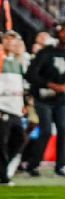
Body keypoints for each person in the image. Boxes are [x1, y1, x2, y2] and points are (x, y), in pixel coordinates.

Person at [25, 24, 65, 177]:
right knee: (46, 131)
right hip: (43, 97)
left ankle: (61, 165)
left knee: (63, 130)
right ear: (57, 34)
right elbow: (31, 75)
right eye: (64, 31)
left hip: (60, 98)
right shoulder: (46, 53)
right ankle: (33, 164)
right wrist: (50, 85)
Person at [0, 31, 27, 185]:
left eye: (14, 41)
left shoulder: (18, 62)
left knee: (19, 139)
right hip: (2, 106)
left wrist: (23, 103)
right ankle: (3, 176)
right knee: (2, 142)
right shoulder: (1, 60)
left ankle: (3, 169)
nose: (11, 44)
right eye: (8, 40)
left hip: (15, 107)